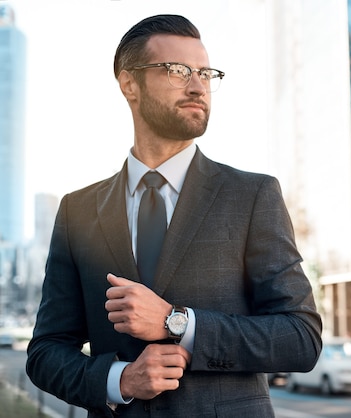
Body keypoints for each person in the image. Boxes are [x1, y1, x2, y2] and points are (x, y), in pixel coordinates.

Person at [26, 14, 322, 418]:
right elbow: (45, 352)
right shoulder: (77, 210)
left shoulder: (252, 195)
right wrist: (119, 379)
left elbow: (300, 337)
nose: (198, 85)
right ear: (130, 84)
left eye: (204, 72)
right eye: (178, 70)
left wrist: (176, 322)